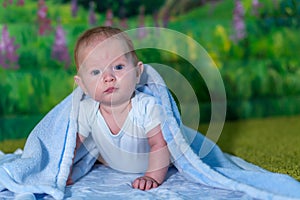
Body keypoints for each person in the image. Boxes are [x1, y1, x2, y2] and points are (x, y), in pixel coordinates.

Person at [69, 26, 170, 191]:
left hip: (152, 166)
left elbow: (160, 144)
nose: (108, 77)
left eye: (118, 67)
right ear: (83, 86)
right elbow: (70, 146)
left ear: (138, 72)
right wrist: (62, 172)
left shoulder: (146, 107)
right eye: (96, 72)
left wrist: (151, 176)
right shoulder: (86, 110)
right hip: (116, 166)